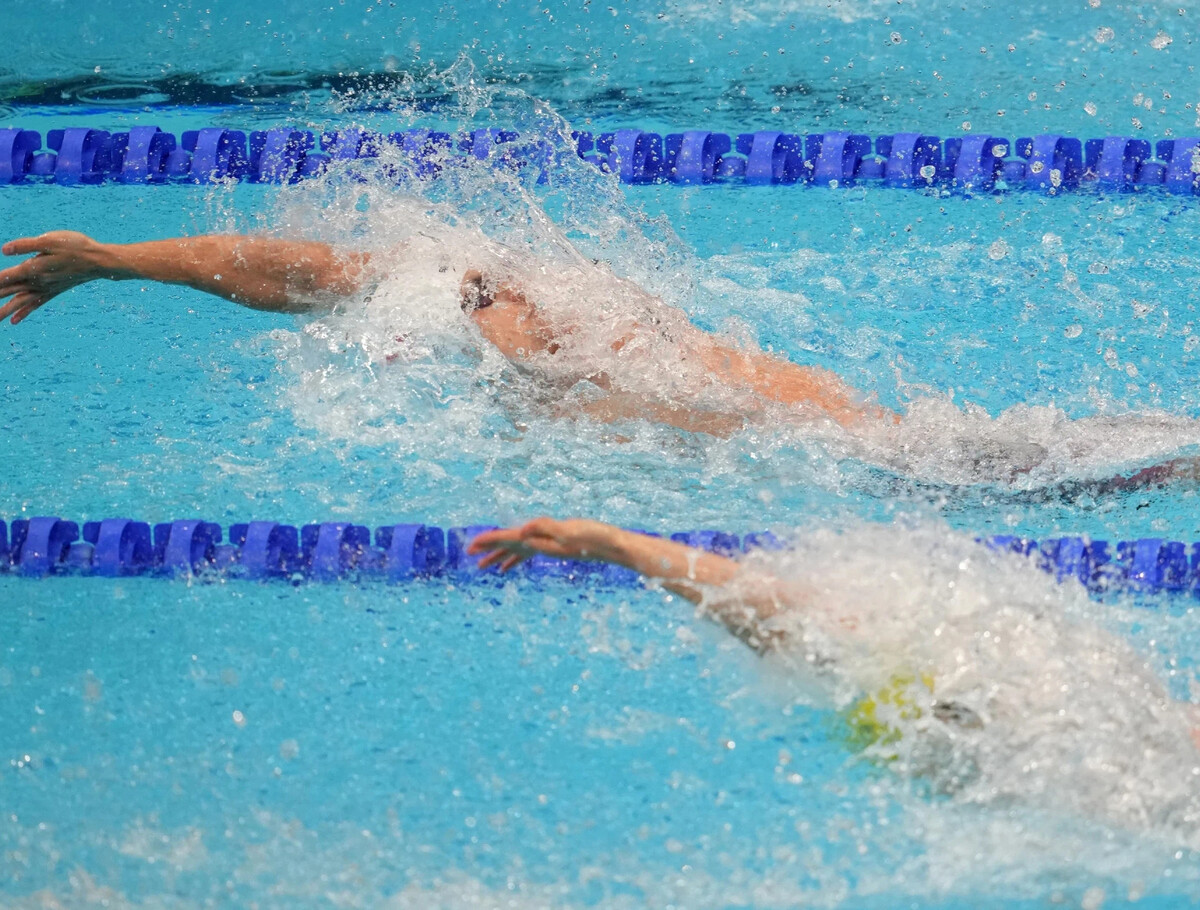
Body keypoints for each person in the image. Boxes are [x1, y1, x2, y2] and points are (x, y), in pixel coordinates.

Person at [2, 229, 1197, 487]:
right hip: (857, 447)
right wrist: (114, 263)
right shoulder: (466, 287)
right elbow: (295, 274)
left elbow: (300, 271)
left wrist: (116, 261)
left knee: (1077, 470)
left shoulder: (548, 319)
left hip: (872, 455)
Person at [467, 516, 1200, 833]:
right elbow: (772, 612)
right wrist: (621, 548)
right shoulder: (1085, 704)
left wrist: (620, 548)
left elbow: (769, 612)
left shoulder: (942, 690)